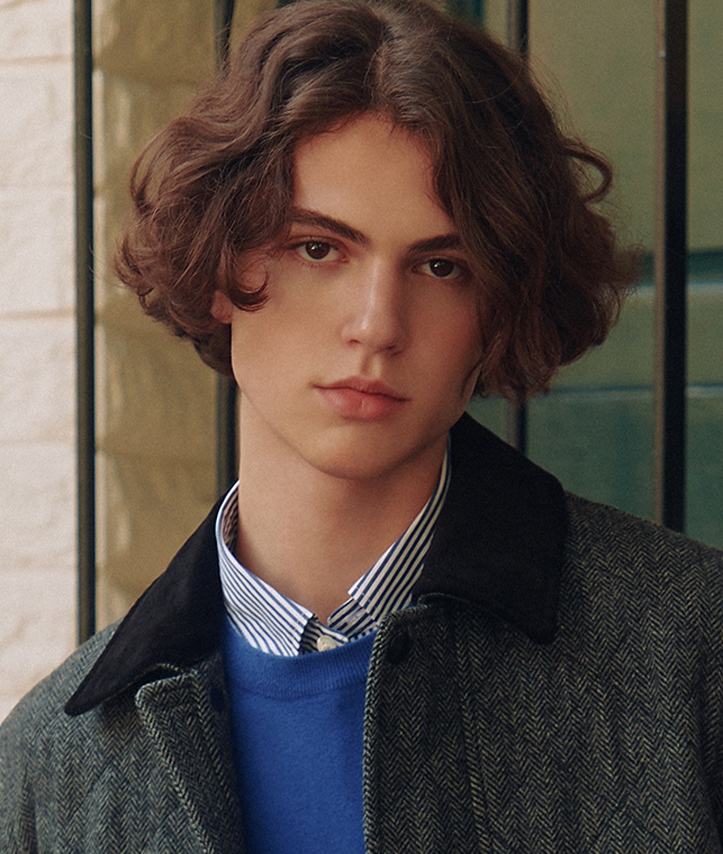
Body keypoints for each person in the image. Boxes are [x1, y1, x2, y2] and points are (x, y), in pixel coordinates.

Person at [2, 0, 722, 850]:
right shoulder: (50, 762)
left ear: (494, 311)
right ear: (222, 271)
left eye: (441, 266)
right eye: (319, 249)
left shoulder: (690, 654)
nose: (377, 324)